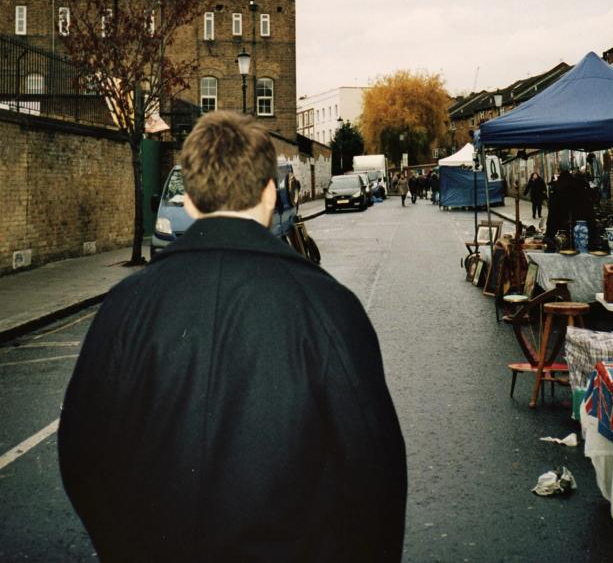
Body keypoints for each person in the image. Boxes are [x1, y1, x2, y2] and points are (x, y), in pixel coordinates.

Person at [58, 111, 407, 562]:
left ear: (189, 203)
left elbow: (82, 453)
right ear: (269, 193)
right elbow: (374, 470)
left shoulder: (125, 306)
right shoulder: (329, 306)